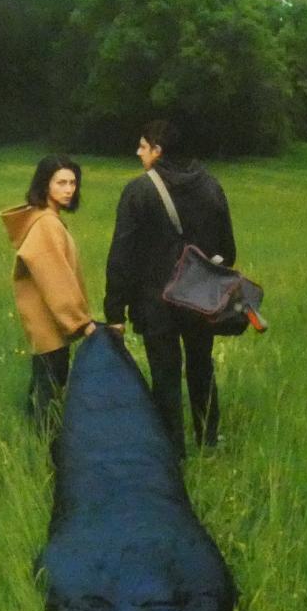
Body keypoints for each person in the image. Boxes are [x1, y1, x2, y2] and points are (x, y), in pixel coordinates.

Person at [104, 119, 237, 453]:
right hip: (200, 298)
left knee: (165, 375)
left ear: (158, 151)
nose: (138, 152)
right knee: (201, 366)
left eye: (143, 146)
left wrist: (115, 310)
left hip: (155, 302)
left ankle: (171, 450)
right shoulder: (211, 186)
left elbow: (122, 253)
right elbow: (228, 250)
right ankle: (208, 440)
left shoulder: (139, 190)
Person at [0, 155, 98, 426]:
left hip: (49, 324)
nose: (69, 189)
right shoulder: (46, 224)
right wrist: (81, 322)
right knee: (49, 397)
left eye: (73, 183)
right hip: (50, 326)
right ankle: (46, 447)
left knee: (46, 389)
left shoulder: (46, 220)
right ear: (45, 185)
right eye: (61, 183)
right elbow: (55, 278)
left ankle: (38, 441)